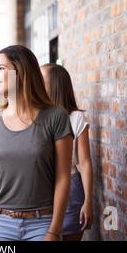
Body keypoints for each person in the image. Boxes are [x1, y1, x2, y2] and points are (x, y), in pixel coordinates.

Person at [0, 45, 73, 241]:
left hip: (42, 223)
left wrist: (54, 230)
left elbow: (63, 178)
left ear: (21, 71)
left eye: (1, 68)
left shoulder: (56, 117)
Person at [40, 63, 93, 241]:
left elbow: (84, 162)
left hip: (72, 189)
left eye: (41, 80)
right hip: (41, 187)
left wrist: (88, 201)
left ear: (54, 85)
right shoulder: (34, 115)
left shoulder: (76, 118)